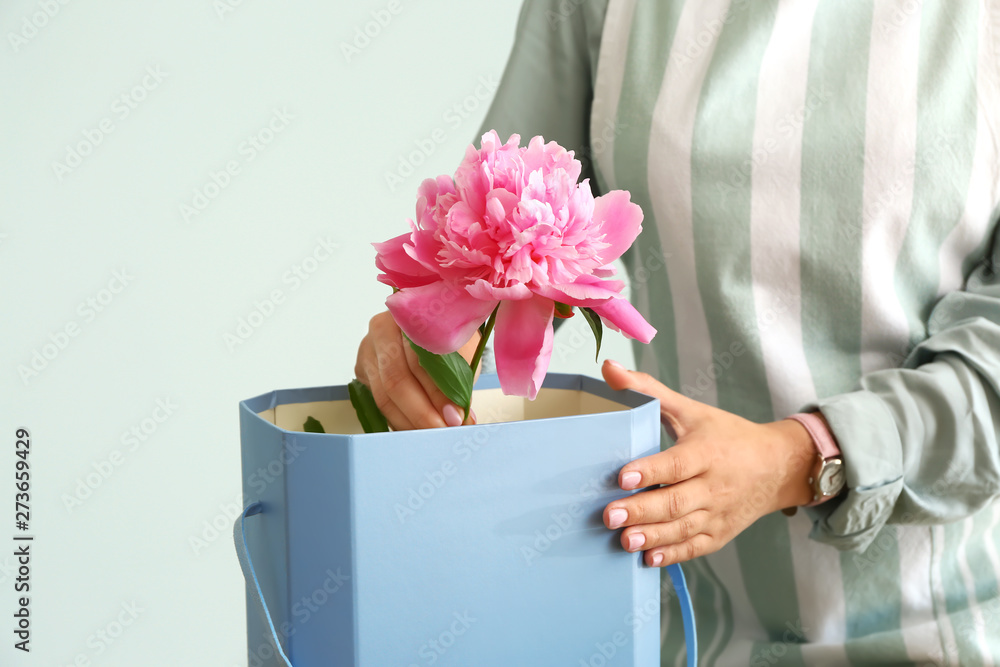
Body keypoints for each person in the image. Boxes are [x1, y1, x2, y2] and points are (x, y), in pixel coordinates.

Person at [356, 0, 1000, 663]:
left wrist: (797, 457)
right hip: (686, 630)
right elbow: (504, 203)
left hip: (954, 635)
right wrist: (430, 320)